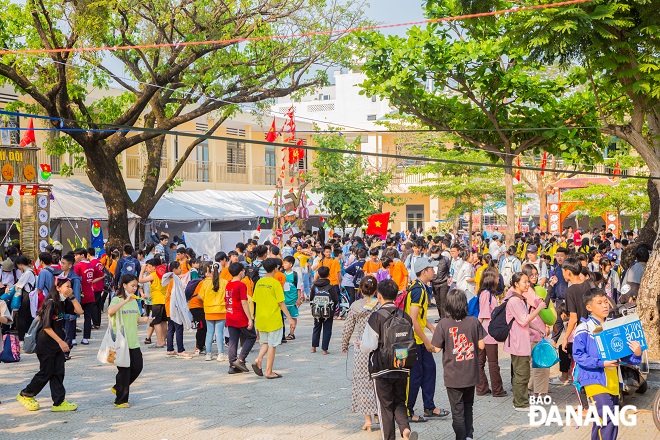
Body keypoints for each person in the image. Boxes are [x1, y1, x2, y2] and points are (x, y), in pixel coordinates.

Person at [573, 288, 642, 440]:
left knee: (605, 421)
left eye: (606, 301)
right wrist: (601, 363)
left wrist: (637, 353)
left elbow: (624, 355)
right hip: (593, 380)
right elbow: (578, 356)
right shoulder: (583, 329)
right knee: (607, 417)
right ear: (589, 307)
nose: (605, 305)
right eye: (599, 303)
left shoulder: (614, 326)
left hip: (612, 381)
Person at [360, 279, 418, 440]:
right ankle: (405, 430)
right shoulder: (405, 316)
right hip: (402, 365)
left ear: (379, 295)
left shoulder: (376, 317)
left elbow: (368, 345)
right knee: (400, 401)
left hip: (382, 368)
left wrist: (360, 346)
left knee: (385, 407)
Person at [16, 276, 83, 412]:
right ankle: (26, 394)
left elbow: (79, 311)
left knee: (58, 372)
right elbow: (46, 326)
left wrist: (72, 297)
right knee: (46, 373)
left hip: (56, 344)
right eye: (67, 286)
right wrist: (61, 342)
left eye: (70, 286)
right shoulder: (51, 303)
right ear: (58, 288)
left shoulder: (63, 301)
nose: (69, 289)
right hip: (46, 344)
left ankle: (58, 402)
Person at [432, 288, 486, 440]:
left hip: (453, 375)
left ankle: (461, 437)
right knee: (468, 406)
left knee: (457, 411)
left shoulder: (443, 324)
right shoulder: (474, 321)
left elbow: (436, 349)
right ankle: (469, 436)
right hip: (471, 373)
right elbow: (481, 346)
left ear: (448, 305)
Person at [404, 257, 449, 422]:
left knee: (429, 370)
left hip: (419, 339)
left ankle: (429, 407)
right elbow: (412, 319)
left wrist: (430, 327)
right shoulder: (418, 291)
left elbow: (419, 316)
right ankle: (407, 411)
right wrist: (428, 342)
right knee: (415, 376)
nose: (434, 271)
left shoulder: (421, 287)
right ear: (424, 272)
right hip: (413, 340)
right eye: (432, 269)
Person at [341, 276, 379, 432]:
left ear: (360, 290)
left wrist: (344, 344)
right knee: (378, 381)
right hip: (378, 348)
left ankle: (368, 420)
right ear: (376, 290)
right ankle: (379, 411)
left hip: (362, 348)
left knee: (363, 382)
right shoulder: (379, 305)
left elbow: (348, 328)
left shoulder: (355, 306)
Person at [108, 274, 152, 407]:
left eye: (136, 286)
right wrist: (125, 301)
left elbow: (137, 318)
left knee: (137, 366)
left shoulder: (135, 300)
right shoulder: (117, 299)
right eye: (132, 285)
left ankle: (118, 386)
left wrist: (146, 320)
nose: (134, 288)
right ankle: (120, 400)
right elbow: (110, 311)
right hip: (120, 341)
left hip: (133, 340)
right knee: (125, 370)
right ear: (124, 285)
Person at [503, 272, 546, 410]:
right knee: (521, 373)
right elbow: (524, 319)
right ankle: (520, 403)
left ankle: (522, 400)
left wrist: (536, 328)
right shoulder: (514, 300)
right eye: (525, 282)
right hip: (517, 341)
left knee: (522, 371)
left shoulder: (518, 298)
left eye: (528, 282)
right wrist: (539, 308)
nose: (528, 284)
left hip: (520, 340)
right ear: (516, 284)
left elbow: (523, 319)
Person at [251, 258, 296, 379]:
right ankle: (269, 371)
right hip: (273, 318)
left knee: (265, 342)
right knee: (272, 345)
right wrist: (290, 318)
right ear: (276, 268)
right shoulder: (275, 283)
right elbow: (281, 303)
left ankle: (258, 359)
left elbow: (254, 300)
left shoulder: (259, 282)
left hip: (261, 318)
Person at [521, 264, 550, 398]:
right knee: (541, 364)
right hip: (535, 329)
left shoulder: (529, 290)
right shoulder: (530, 292)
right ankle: (540, 392)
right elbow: (543, 306)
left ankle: (532, 388)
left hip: (533, 330)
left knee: (534, 363)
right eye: (531, 275)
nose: (534, 277)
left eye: (536, 274)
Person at [476, 268, 506, 397]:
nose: (498, 279)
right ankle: (497, 390)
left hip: (484, 331)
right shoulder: (486, 294)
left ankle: (482, 388)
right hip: (488, 332)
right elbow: (483, 314)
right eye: (496, 277)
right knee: (492, 363)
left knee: (480, 362)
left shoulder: (487, 294)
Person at [225, 262, 257, 374]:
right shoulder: (241, 285)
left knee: (233, 341)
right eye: (243, 271)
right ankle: (241, 359)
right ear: (240, 272)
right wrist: (249, 318)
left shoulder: (228, 284)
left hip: (230, 315)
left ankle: (232, 365)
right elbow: (244, 303)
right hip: (240, 316)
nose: (244, 272)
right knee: (252, 336)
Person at [198, 262, 228, 361]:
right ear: (220, 271)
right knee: (219, 333)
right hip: (221, 310)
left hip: (209, 310)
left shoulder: (206, 283)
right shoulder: (224, 282)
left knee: (209, 332)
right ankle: (220, 354)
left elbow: (200, 296)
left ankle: (208, 354)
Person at [310, 266, 339, 354]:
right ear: (328, 274)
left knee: (316, 328)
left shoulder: (314, 286)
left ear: (318, 274)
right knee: (327, 329)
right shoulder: (330, 287)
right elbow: (335, 299)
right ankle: (324, 349)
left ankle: (313, 347)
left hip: (317, 311)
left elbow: (311, 298)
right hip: (328, 311)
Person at [139, 257, 167, 348]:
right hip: (164, 300)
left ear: (155, 267)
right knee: (163, 321)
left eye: (150, 267)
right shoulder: (163, 274)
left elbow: (141, 280)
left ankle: (159, 342)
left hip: (157, 301)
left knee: (156, 322)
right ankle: (163, 340)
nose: (148, 269)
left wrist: (142, 270)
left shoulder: (154, 275)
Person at [14, 256, 38, 341]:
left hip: (27, 296)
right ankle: (28, 335)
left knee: (23, 316)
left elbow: (18, 285)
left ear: (20, 264)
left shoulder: (27, 273)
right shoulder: (30, 271)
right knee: (28, 316)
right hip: (29, 296)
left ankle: (23, 336)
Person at [282, 256, 303, 340]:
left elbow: (298, 288)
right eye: (283, 263)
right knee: (282, 318)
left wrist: (298, 299)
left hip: (293, 300)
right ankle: (282, 334)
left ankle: (291, 333)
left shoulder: (295, 275)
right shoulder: (282, 274)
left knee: (293, 317)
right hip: (283, 300)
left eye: (286, 263)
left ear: (291, 264)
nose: (284, 264)